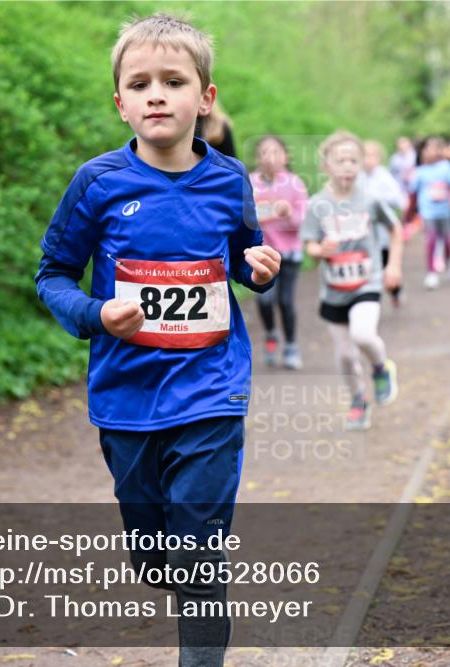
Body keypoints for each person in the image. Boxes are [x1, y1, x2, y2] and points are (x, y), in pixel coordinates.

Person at [33, 14, 280, 667]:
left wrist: (255, 268)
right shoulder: (98, 182)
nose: (157, 94)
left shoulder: (229, 181)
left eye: (173, 80)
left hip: (211, 390)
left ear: (206, 97)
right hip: (126, 396)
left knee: (199, 554)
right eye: (139, 83)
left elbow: (236, 257)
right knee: (154, 551)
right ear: (121, 103)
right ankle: (163, 553)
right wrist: (93, 313)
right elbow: (53, 273)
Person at [301, 130, 402, 431]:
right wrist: (321, 250)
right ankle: (358, 401)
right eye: (340, 160)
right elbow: (310, 249)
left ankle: (381, 367)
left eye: (353, 160)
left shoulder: (370, 200)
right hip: (333, 290)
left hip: (366, 284)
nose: (347, 166)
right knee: (345, 355)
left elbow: (396, 230)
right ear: (326, 165)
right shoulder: (317, 204)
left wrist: (393, 266)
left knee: (363, 335)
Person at [250, 134, 308, 368]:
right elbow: (241, 219)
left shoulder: (294, 184)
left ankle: (291, 347)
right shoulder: (250, 183)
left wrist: (288, 214)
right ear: (257, 157)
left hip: (289, 254)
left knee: (285, 301)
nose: (270, 158)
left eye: (276, 152)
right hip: (261, 254)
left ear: (286, 157)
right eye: (264, 152)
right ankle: (271, 333)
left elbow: (304, 221)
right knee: (264, 300)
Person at [410, 136, 450, 289]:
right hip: (428, 212)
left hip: (445, 211)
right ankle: (432, 272)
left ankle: (449, 260)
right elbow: (412, 192)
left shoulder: (446, 167)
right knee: (431, 240)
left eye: (435, 148)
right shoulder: (419, 171)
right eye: (429, 148)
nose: (432, 151)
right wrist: (410, 213)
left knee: (447, 240)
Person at [361, 140, 406, 306]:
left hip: (383, 234)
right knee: (370, 269)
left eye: (372, 156)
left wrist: (377, 200)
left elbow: (399, 201)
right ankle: (371, 301)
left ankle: (396, 292)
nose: (368, 160)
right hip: (365, 235)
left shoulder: (384, 177)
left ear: (379, 158)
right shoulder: (357, 177)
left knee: (387, 264)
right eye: (364, 155)